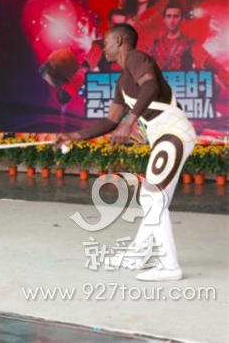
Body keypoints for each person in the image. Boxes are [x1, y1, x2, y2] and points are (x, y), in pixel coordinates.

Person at [56, 24, 196, 281]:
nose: (103, 48)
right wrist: (74, 136)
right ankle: (137, 256)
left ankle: (169, 266)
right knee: (154, 199)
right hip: (165, 136)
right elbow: (111, 121)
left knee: (152, 198)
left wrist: (129, 122)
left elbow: (151, 87)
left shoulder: (136, 57)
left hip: (174, 133)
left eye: (106, 43)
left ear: (119, 41)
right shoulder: (122, 82)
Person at [149, 5, 195, 71]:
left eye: (175, 16)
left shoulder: (189, 43)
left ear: (182, 19)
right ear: (164, 20)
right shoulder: (156, 43)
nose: (172, 20)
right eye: (168, 16)